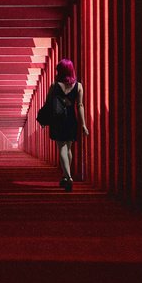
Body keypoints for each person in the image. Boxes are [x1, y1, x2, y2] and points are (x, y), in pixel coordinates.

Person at [47, 58, 89, 192]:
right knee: (68, 148)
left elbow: (48, 104)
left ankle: (68, 176)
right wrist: (83, 124)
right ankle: (65, 176)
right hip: (71, 118)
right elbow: (80, 105)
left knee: (62, 149)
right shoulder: (78, 86)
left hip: (59, 119)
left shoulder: (54, 86)